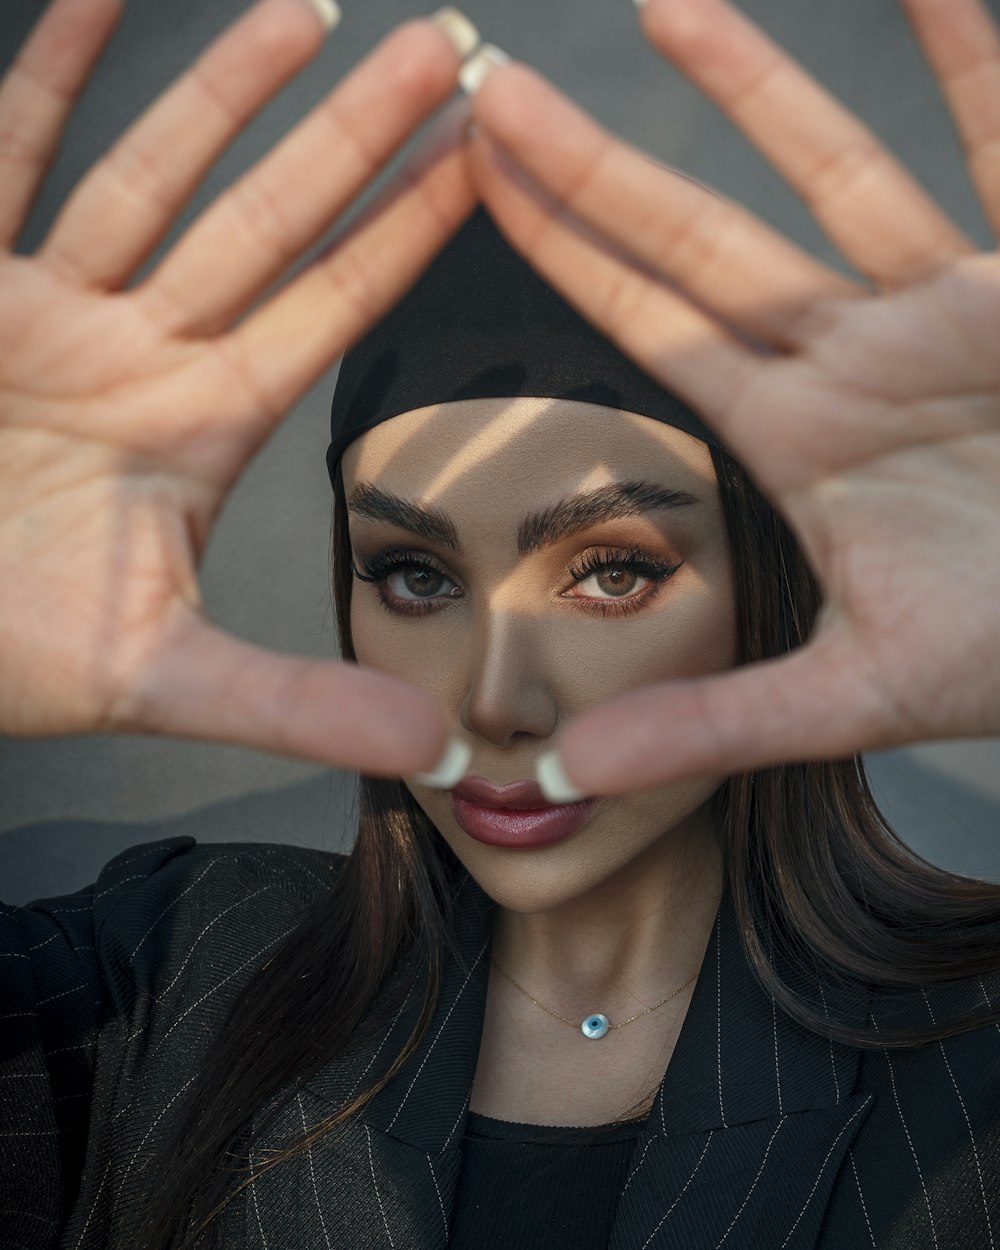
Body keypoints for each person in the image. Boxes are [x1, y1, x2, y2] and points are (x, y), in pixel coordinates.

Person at [1, 1, 999, 1249]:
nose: (491, 700)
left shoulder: (978, 1048)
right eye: (414, 575)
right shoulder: (162, 975)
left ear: (771, 587)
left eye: (613, 572)